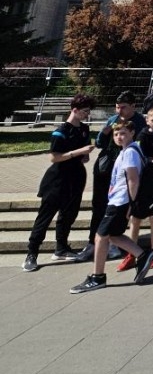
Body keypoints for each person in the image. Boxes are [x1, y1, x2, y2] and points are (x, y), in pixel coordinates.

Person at [70, 119, 153, 293]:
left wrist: (132, 205)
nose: (119, 137)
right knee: (115, 235)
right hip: (118, 200)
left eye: (123, 133)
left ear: (132, 133)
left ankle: (98, 276)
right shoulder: (127, 151)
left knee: (100, 237)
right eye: (116, 134)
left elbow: (133, 179)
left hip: (121, 201)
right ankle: (143, 255)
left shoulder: (130, 152)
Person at [23, 94, 94, 271]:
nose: (87, 114)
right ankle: (32, 254)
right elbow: (54, 157)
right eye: (84, 111)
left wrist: (84, 155)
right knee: (45, 217)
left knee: (68, 214)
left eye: (88, 111)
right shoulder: (61, 131)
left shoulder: (84, 129)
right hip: (57, 179)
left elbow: (83, 157)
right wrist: (78, 152)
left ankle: (61, 248)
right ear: (75, 110)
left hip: (76, 177)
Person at [76, 91, 145, 264]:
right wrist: (105, 132)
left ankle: (113, 244)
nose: (119, 111)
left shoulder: (138, 123)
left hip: (124, 175)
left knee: (115, 211)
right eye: (117, 107)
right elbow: (99, 143)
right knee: (98, 206)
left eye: (123, 107)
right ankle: (93, 243)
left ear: (133, 107)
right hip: (105, 169)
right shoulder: (113, 120)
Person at [117, 106, 153, 273]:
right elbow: (141, 156)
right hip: (143, 181)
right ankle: (131, 254)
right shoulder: (143, 136)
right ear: (147, 121)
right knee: (136, 218)